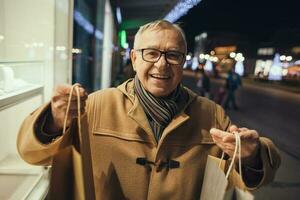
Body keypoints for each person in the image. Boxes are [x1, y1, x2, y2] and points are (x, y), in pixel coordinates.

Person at [17, 20, 280, 200]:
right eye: (151, 53)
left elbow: (251, 178)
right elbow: (32, 154)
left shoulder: (210, 114)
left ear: (182, 61)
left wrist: (250, 155)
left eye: (172, 55)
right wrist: (53, 120)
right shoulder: (95, 106)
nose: (162, 65)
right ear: (134, 58)